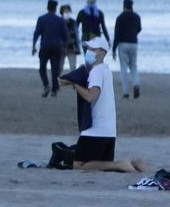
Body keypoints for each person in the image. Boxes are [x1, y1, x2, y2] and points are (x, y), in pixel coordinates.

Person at [59, 37, 148, 173]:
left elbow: (91, 96)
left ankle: (120, 164)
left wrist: (76, 85)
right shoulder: (105, 70)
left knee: (78, 165)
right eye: (87, 49)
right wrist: (72, 80)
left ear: (102, 53)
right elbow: (62, 81)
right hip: (109, 131)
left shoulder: (96, 72)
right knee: (101, 164)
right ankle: (135, 163)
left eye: (92, 49)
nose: (88, 52)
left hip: (95, 131)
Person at [32, 0, 70, 97]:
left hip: (45, 46)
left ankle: (46, 85)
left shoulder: (41, 19)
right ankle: (54, 90)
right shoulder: (59, 20)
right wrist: (65, 47)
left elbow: (36, 33)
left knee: (42, 68)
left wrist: (33, 46)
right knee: (55, 69)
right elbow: (65, 35)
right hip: (57, 47)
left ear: (47, 7)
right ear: (56, 8)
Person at [112, 0, 142, 99]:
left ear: (124, 6)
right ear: (132, 6)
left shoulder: (120, 18)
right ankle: (136, 84)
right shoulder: (137, 16)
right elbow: (139, 29)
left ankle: (125, 92)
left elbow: (117, 34)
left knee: (123, 68)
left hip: (122, 44)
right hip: (134, 43)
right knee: (133, 66)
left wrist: (113, 49)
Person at [61, 3, 79, 71]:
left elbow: (76, 35)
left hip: (72, 47)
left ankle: (72, 80)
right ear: (62, 12)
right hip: (61, 48)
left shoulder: (73, 22)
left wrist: (77, 46)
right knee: (60, 67)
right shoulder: (59, 21)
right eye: (65, 11)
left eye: (68, 11)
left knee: (73, 67)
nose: (67, 13)